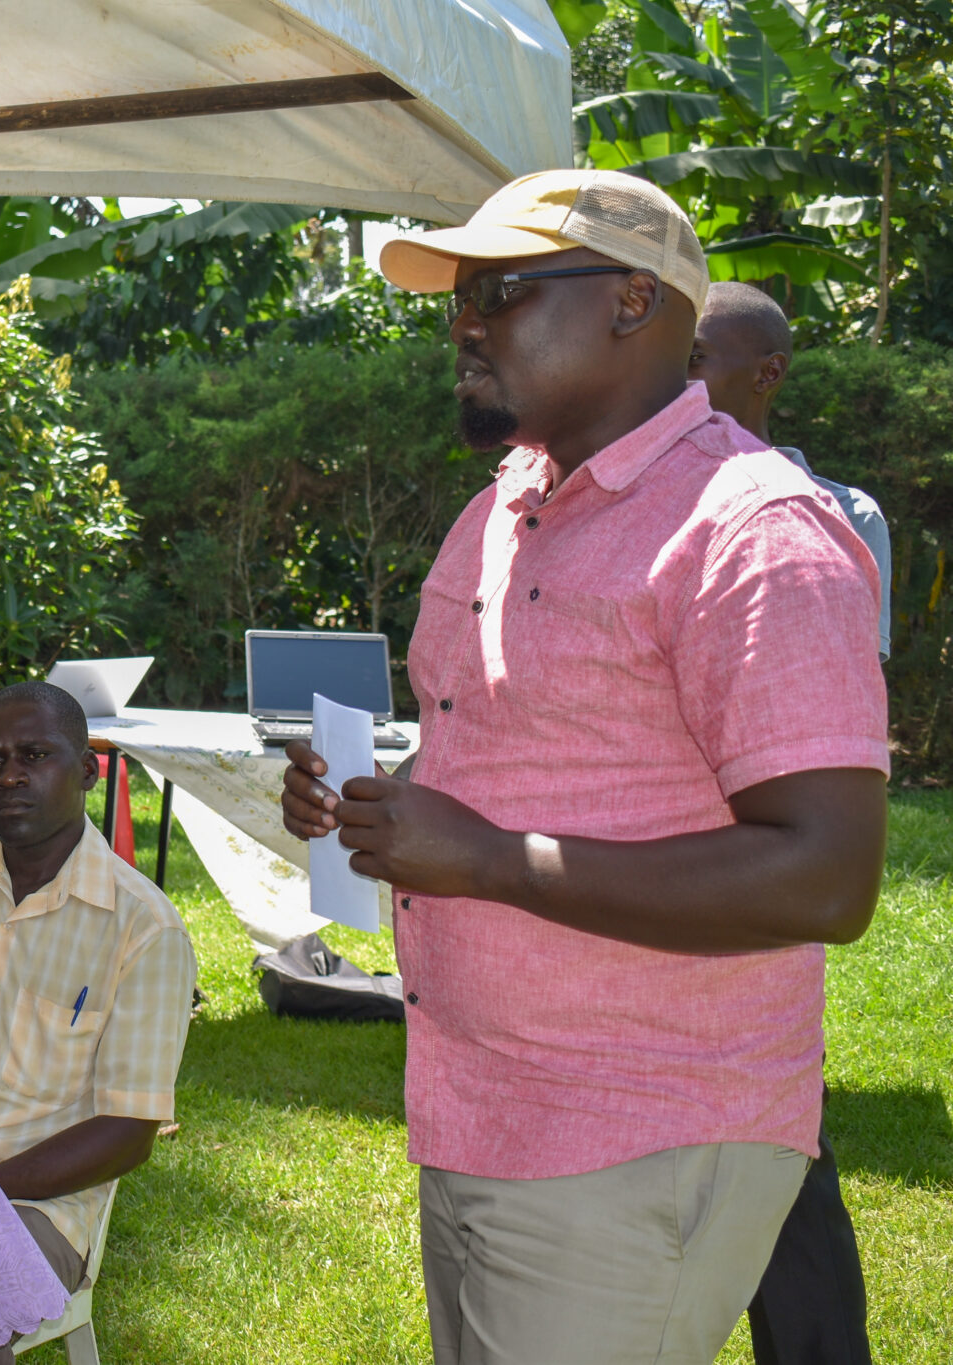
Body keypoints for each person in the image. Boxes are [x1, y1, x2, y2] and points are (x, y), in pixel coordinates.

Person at [281, 169, 888, 1364]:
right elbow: (523, 746)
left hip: (634, 1131)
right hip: (477, 1105)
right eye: (458, 298)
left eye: (497, 292)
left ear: (629, 303)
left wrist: (489, 860)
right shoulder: (506, 504)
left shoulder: (752, 534)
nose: (462, 323)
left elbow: (824, 879)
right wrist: (376, 796)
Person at [0, 682, 196, 1365]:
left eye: (35, 754)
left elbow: (127, 1132)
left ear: (88, 771)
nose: (10, 775)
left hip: (32, 1203)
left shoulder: (143, 927)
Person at [690, 279, 882, 1365]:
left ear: (764, 372)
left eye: (699, 361)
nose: (679, 384)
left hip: (760, 847)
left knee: (779, 1135)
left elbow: (831, 701)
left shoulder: (825, 518)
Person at [693, 280, 893, 663]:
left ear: (768, 374)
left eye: (695, 356)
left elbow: (842, 684)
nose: (672, 379)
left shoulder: (848, 517)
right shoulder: (630, 495)